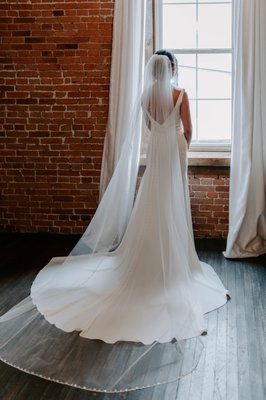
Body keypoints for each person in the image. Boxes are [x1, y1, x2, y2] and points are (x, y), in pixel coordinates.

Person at [0, 50, 229, 392]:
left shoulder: (143, 96)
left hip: (155, 158)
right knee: (172, 208)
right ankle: (173, 264)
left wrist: (163, 142)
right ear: (173, 69)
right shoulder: (181, 94)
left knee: (150, 207)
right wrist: (179, 149)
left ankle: (146, 259)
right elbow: (189, 130)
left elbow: (151, 128)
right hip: (173, 155)